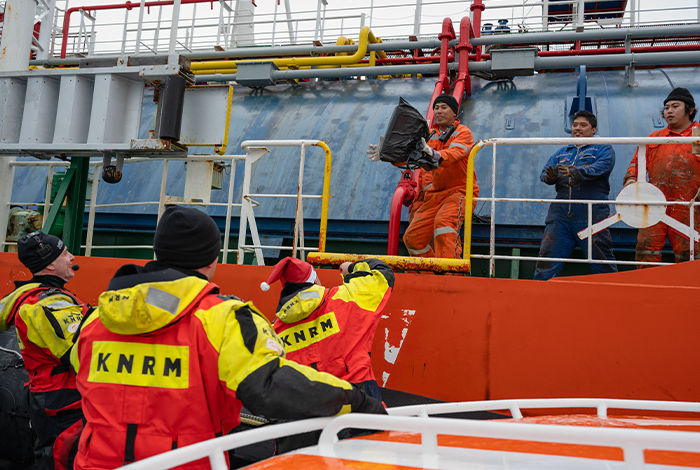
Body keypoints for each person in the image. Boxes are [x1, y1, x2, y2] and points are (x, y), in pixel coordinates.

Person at [69, 206, 385, 470]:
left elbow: (79, 376)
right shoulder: (223, 318)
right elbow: (269, 387)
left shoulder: (95, 320)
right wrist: (356, 401)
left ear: (158, 252)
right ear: (210, 260)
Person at [0, 232, 86, 470]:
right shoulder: (49, 304)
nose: (72, 257)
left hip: (46, 394)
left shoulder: (26, 297)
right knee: (63, 459)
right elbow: (81, 356)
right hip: (65, 397)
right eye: (65, 253)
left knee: (48, 453)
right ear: (49, 264)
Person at [261, 257, 394, 401]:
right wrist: (350, 268)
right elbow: (383, 273)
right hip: (360, 411)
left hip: (301, 418)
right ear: (315, 281)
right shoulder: (348, 299)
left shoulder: (273, 332)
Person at [533, 110, 618, 280]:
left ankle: (611, 296)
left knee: (602, 260)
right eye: (575, 124)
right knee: (547, 260)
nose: (577, 128)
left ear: (593, 130)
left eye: (583, 125)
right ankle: (539, 297)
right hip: (560, 215)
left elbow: (602, 166)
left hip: (591, 213)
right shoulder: (562, 152)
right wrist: (550, 177)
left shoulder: (603, 148)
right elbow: (545, 172)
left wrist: (576, 172)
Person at [623, 87, 699, 265]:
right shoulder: (655, 137)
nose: (669, 111)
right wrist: (631, 180)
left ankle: (690, 291)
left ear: (690, 110)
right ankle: (646, 290)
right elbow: (637, 164)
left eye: (674, 106)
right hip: (654, 205)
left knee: (690, 253)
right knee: (645, 250)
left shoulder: (698, 136)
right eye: (666, 108)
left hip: (690, 207)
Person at [401, 94, 479, 259]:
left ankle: (452, 274)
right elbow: (412, 159)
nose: (439, 111)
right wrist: (388, 155)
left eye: (444, 108)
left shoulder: (463, 133)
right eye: (436, 108)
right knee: (412, 238)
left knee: (444, 224)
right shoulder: (429, 136)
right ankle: (430, 273)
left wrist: (434, 154)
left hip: (459, 191)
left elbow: (453, 155)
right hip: (434, 195)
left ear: (454, 113)